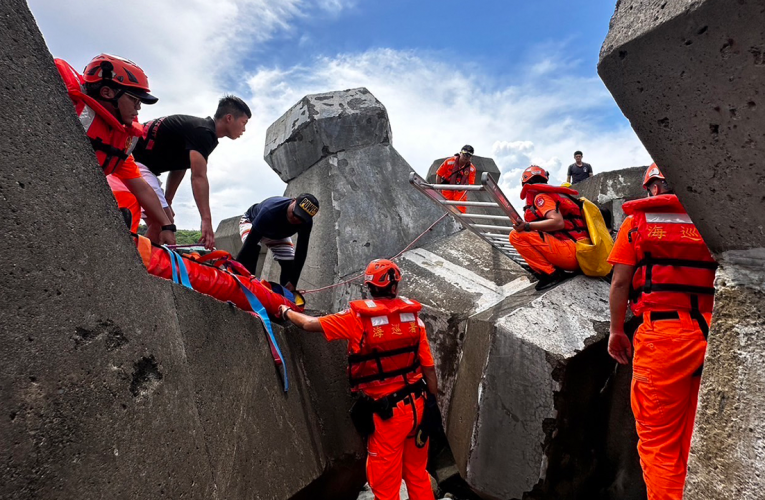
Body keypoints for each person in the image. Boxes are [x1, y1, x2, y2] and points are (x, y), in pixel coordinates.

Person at [277, 259, 438, 500]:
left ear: (369, 286)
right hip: (419, 406)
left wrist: (286, 311)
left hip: (388, 417)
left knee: (385, 486)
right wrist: (432, 402)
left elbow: (309, 324)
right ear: (395, 286)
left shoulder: (357, 319)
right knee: (417, 472)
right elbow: (429, 370)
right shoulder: (414, 320)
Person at [607, 164, 716, 500]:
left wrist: (615, 331)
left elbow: (621, 281)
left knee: (658, 444)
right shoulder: (710, 221)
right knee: (695, 437)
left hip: (664, 336)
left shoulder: (637, 222)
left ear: (652, 187)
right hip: (713, 331)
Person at [54, 54, 176, 245]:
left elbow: (142, 187)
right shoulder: (62, 103)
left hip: (68, 203)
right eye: (134, 99)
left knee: (130, 201)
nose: (139, 108)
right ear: (107, 92)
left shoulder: (117, 141)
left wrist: (167, 225)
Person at [129, 96, 251, 249]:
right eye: (243, 123)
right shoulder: (204, 132)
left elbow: (180, 166)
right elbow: (199, 177)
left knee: (164, 218)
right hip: (133, 159)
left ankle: (144, 260)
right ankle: (139, 262)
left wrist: (168, 200)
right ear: (229, 118)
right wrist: (206, 220)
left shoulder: (200, 131)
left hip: (141, 162)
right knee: (164, 223)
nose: (244, 129)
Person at [509, 165, 590, 290]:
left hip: (572, 253)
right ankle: (552, 270)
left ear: (525, 183)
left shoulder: (541, 197)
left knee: (515, 235)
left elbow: (558, 223)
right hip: (584, 250)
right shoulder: (559, 195)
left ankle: (550, 273)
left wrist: (527, 226)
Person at [236, 194, 319, 291]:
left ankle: (285, 294)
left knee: (289, 261)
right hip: (252, 222)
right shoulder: (270, 210)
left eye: (301, 218)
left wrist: (293, 282)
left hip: (277, 233)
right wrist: (238, 270)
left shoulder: (307, 222)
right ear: (293, 201)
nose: (296, 219)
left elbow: (302, 250)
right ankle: (246, 284)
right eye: (295, 213)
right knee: (253, 250)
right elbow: (249, 245)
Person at [435, 145, 477, 213]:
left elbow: (470, 184)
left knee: (460, 208)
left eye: (468, 156)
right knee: (444, 206)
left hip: (460, 190)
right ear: (460, 153)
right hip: (447, 187)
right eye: (464, 154)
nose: (466, 157)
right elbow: (439, 174)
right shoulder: (449, 161)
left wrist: (464, 189)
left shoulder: (472, 169)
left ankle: (459, 220)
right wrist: (439, 190)